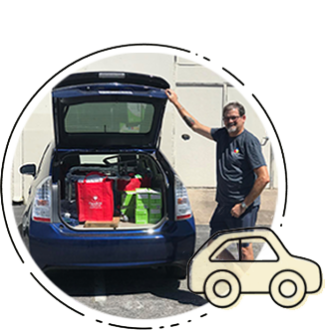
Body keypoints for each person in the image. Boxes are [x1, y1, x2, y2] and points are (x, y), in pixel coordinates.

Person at [165, 89, 270, 260]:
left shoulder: (248, 142)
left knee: (244, 247)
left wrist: (243, 205)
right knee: (214, 244)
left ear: (243, 118)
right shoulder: (221, 135)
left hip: (243, 206)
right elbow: (195, 126)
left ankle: (250, 283)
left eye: (234, 117)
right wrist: (176, 102)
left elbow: (264, 177)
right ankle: (238, 274)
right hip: (223, 204)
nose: (230, 121)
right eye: (227, 118)